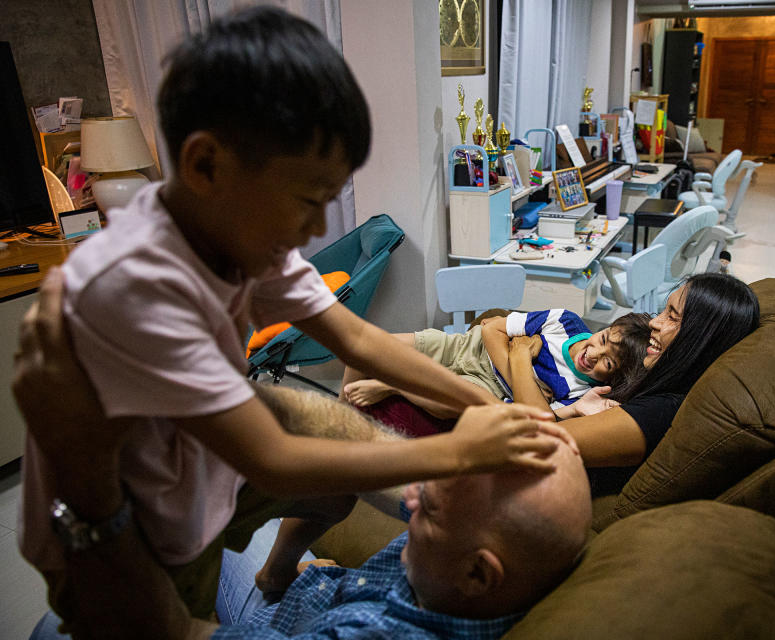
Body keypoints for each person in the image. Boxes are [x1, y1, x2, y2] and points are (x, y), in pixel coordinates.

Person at [19, 7, 571, 625]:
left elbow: (356, 337)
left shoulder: (236, 232)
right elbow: (271, 459)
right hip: (135, 524)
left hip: (193, 467)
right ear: (206, 166)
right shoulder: (138, 289)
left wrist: (486, 409)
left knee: (335, 453)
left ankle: (274, 570)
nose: (315, 229)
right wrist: (457, 454)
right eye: (308, 201)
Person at [13, 285, 592, 639]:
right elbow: (355, 343)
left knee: (53, 628)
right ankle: (273, 573)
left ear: (478, 575)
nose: (410, 500)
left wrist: (86, 482)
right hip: (318, 592)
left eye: (429, 508)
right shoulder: (463, 554)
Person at [506, 273, 760, 494]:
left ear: (699, 339)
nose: (654, 322)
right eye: (664, 310)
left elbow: (536, 439)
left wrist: (519, 357)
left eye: (672, 317)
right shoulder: (656, 381)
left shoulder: (659, 412)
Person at [342, 310, 651, 417]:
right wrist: (521, 374)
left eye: (607, 364)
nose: (594, 354)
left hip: (490, 387)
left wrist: (521, 353)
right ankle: (341, 409)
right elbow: (491, 329)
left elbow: (541, 415)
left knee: (460, 399)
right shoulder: (564, 321)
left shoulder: (583, 390)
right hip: (469, 345)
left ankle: (395, 386)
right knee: (368, 343)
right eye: (603, 338)